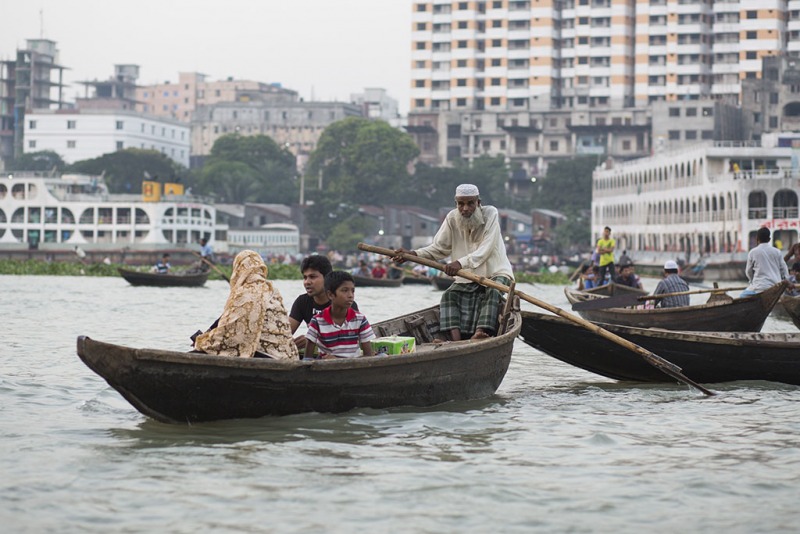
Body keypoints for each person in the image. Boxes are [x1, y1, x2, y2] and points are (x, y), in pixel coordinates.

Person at [393, 183, 514, 340]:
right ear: (456, 203)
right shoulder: (451, 218)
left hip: (496, 272)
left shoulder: (491, 213)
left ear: (478, 203)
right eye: (461, 204)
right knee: (449, 295)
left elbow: (486, 249)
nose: (465, 209)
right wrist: (413, 254)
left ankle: (480, 332)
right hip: (467, 275)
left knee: (492, 291)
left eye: (470, 203)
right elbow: (439, 248)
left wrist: (459, 263)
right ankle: (455, 341)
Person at [193, 250, 298, 360]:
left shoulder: (245, 293)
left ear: (239, 269)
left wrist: (202, 341)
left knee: (204, 349)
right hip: (288, 355)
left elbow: (230, 335)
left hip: (267, 356)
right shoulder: (272, 291)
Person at [288, 255, 359, 350]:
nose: (307, 282)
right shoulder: (302, 302)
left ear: (327, 278)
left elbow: (352, 339)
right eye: (305, 277)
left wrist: (313, 340)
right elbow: (286, 333)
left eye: (312, 277)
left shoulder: (345, 303)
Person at [304, 271, 375, 359]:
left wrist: (337, 360)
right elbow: (307, 359)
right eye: (345, 290)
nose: (350, 295)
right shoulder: (317, 321)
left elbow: (368, 356)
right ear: (330, 295)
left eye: (352, 291)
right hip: (326, 367)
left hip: (354, 366)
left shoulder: (360, 319)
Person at [741, 226, 790, 297]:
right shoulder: (777, 252)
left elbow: (748, 272)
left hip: (759, 288)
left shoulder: (752, 252)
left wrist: (752, 282)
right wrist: (785, 282)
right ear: (769, 239)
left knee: (742, 296)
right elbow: (784, 269)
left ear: (757, 239)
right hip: (776, 286)